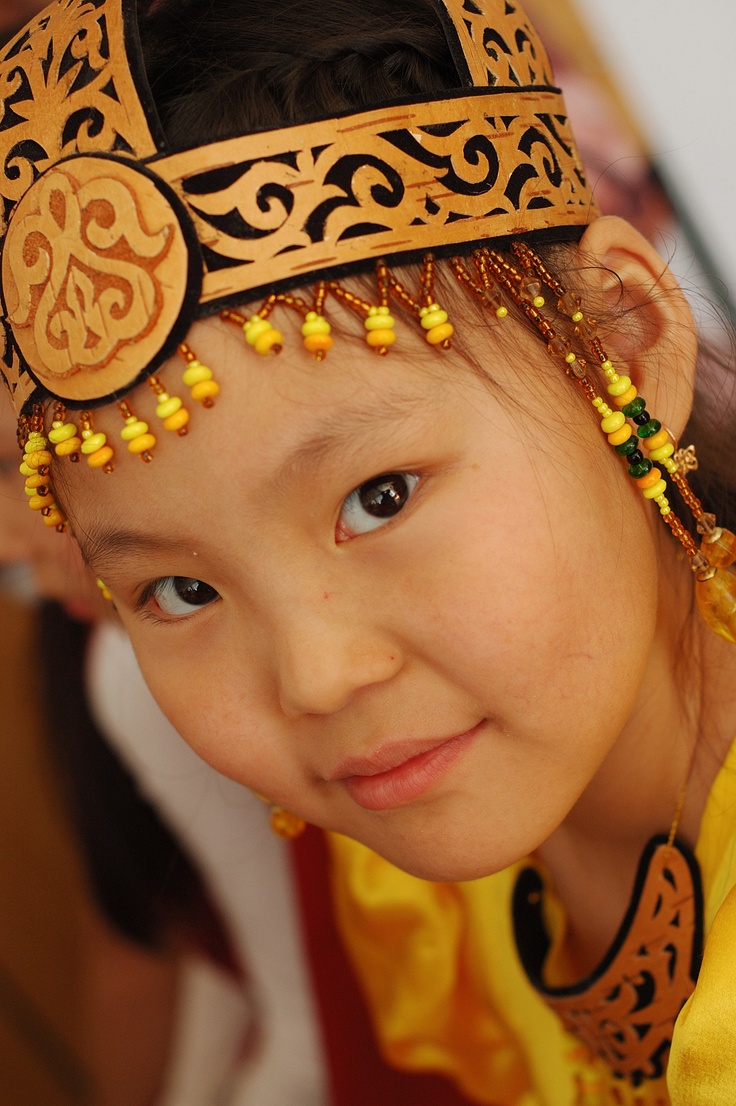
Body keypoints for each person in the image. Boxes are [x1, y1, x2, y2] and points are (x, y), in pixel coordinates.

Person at [2, 1, 736, 1104]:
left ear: (622, 343)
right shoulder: (411, 853)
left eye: (379, 497)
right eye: (182, 587)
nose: (315, 676)